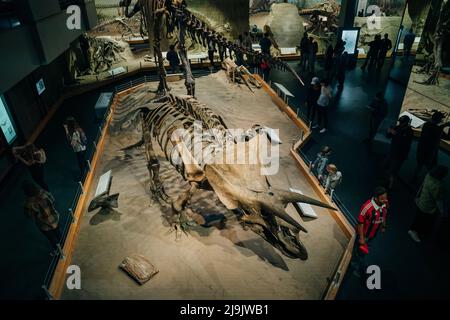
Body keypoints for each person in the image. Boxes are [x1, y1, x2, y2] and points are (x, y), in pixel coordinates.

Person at [352, 187, 388, 278]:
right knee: (359, 253)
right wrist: (361, 238)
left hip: (372, 236)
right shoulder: (367, 207)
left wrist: (383, 226)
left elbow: (384, 214)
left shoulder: (384, 203)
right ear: (376, 198)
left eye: (386, 197)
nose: (385, 200)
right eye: (382, 198)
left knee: (362, 253)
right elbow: (360, 223)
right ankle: (357, 269)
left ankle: (358, 263)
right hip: (364, 236)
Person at [408, 166, 448, 243]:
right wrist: (443, 212)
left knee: (418, 218)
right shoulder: (437, 186)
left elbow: (422, 186)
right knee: (426, 221)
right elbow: (438, 201)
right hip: (429, 208)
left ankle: (413, 230)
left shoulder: (428, 176)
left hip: (422, 202)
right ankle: (417, 233)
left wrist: (417, 196)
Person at [22, 180, 61, 253]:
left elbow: (29, 215)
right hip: (54, 219)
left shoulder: (28, 204)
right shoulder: (44, 193)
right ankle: (64, 245)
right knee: (59, 234)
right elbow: (53, 200)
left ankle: (58, 251)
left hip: (44, 225)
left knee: (52, 239)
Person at [413, 111, 449, 180]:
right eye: (440, 119)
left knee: (419, 165)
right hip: (429, 152)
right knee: (431, 168)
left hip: (422, 149)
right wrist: (445, 125)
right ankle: (427, 181)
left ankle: (414, 177)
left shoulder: (427, 125)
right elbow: (440, 133)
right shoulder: (435, 128)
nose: (441, 120)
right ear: (437, 119)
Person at [386, 115, 414, 189]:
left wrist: (395, 133)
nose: (400, 123)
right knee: (389, 168)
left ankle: (390, 187)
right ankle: (388, 182)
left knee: (394, 171)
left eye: (402, 122)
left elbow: (404, 142)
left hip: (400, 155)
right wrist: (389, 131)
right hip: (392, 151)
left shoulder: (409, 131)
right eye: (400, 122)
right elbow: (388, 136)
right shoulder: (398, 127)